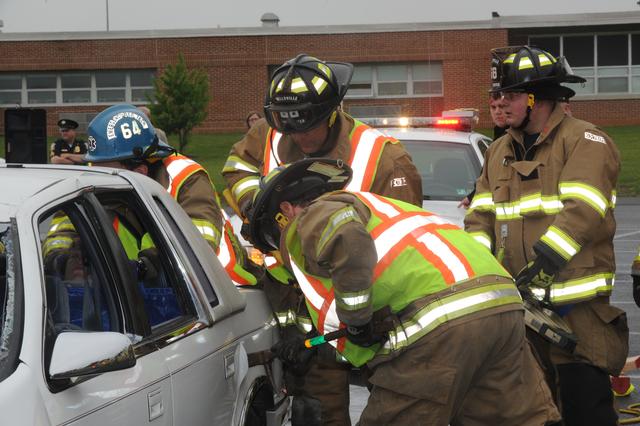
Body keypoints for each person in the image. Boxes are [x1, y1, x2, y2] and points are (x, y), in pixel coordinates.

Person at [248, 157, 560, 425]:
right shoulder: (381, 206)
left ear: (286, 210)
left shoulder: (312, 215)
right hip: (500, 308)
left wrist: (355, 320)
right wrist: (320, 342)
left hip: (441, 327)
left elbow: (350, 243)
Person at [222, 54, 422, 425]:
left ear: (332, 112)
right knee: (316, 410)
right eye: (288, 128)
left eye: (307, 127)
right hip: (302, 308)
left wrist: (359, 323)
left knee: (392, 409)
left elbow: (403, 242)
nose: (297, 137)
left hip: (367, 312)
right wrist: (259, 207)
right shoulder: (272, 132)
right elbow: (237, 167)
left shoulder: (383, 159)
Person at [464, 45, 628, 426]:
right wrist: (481, 269)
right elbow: (481, 214)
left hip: (577, 313)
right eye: (497, 96)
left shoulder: (586, 141)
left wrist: (544, 264)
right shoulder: (498, 151)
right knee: (531, 415)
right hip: (520, 313)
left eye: (511, 95)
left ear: (539, 99)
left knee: (584, 411)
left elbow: (583, 209)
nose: (500, 104)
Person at [84, 103, 261, 287]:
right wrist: (64, 258)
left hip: (222, 292)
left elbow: (198, 243)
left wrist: (145, 266)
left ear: (140, 171)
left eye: (107, 172)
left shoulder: (187, 178)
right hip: (157, 297)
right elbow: (70, 225)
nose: (99, 179)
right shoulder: (112, 184)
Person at [458, 94, 508, 208]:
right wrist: (471, 197)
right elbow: (486, 177)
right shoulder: (498, 137)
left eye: (502, 106)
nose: (497, 112)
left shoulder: (515, 139)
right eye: (493, 107)